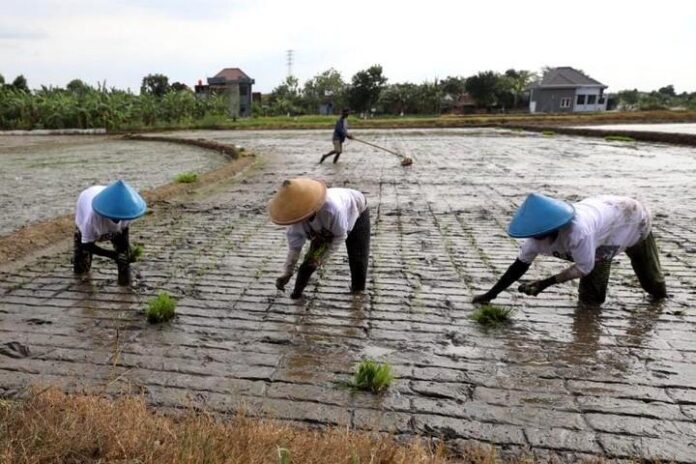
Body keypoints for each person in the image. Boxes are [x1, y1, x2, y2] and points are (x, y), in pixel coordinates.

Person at [472, 193, 667, 306]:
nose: (537, 238)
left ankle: (660, 299)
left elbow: (583, 268)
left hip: (632, 217)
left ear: (555, 227)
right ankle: (589, 328)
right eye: (534, 234)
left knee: (653, 283)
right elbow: (518, 267)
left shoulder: (578, 232)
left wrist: (544, 283)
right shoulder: (533, 241)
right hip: (601, 230)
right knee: (591, 298)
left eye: (543, 234)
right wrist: (490, 295)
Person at [268, 177, 369, 299]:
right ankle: (297, 294)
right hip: (323, 230)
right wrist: (287, 272)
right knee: (308, 265)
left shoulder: (331, 209)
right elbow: (294, 249)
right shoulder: (294, 223)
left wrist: (321, 258)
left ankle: (358, 295)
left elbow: (340, 236)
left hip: (356, 208)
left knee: (357, 258)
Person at [73, 179, 147, 286]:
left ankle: (124, 283)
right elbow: (86, 244)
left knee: (123, 256)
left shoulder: (127, 211)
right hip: (87, 199)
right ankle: (82, 284)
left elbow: (124, 236)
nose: (118, 220)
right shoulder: (92, 218)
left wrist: (125, 253)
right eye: (115, 217)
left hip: (109, 198)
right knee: (81, 265)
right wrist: (112, 255)